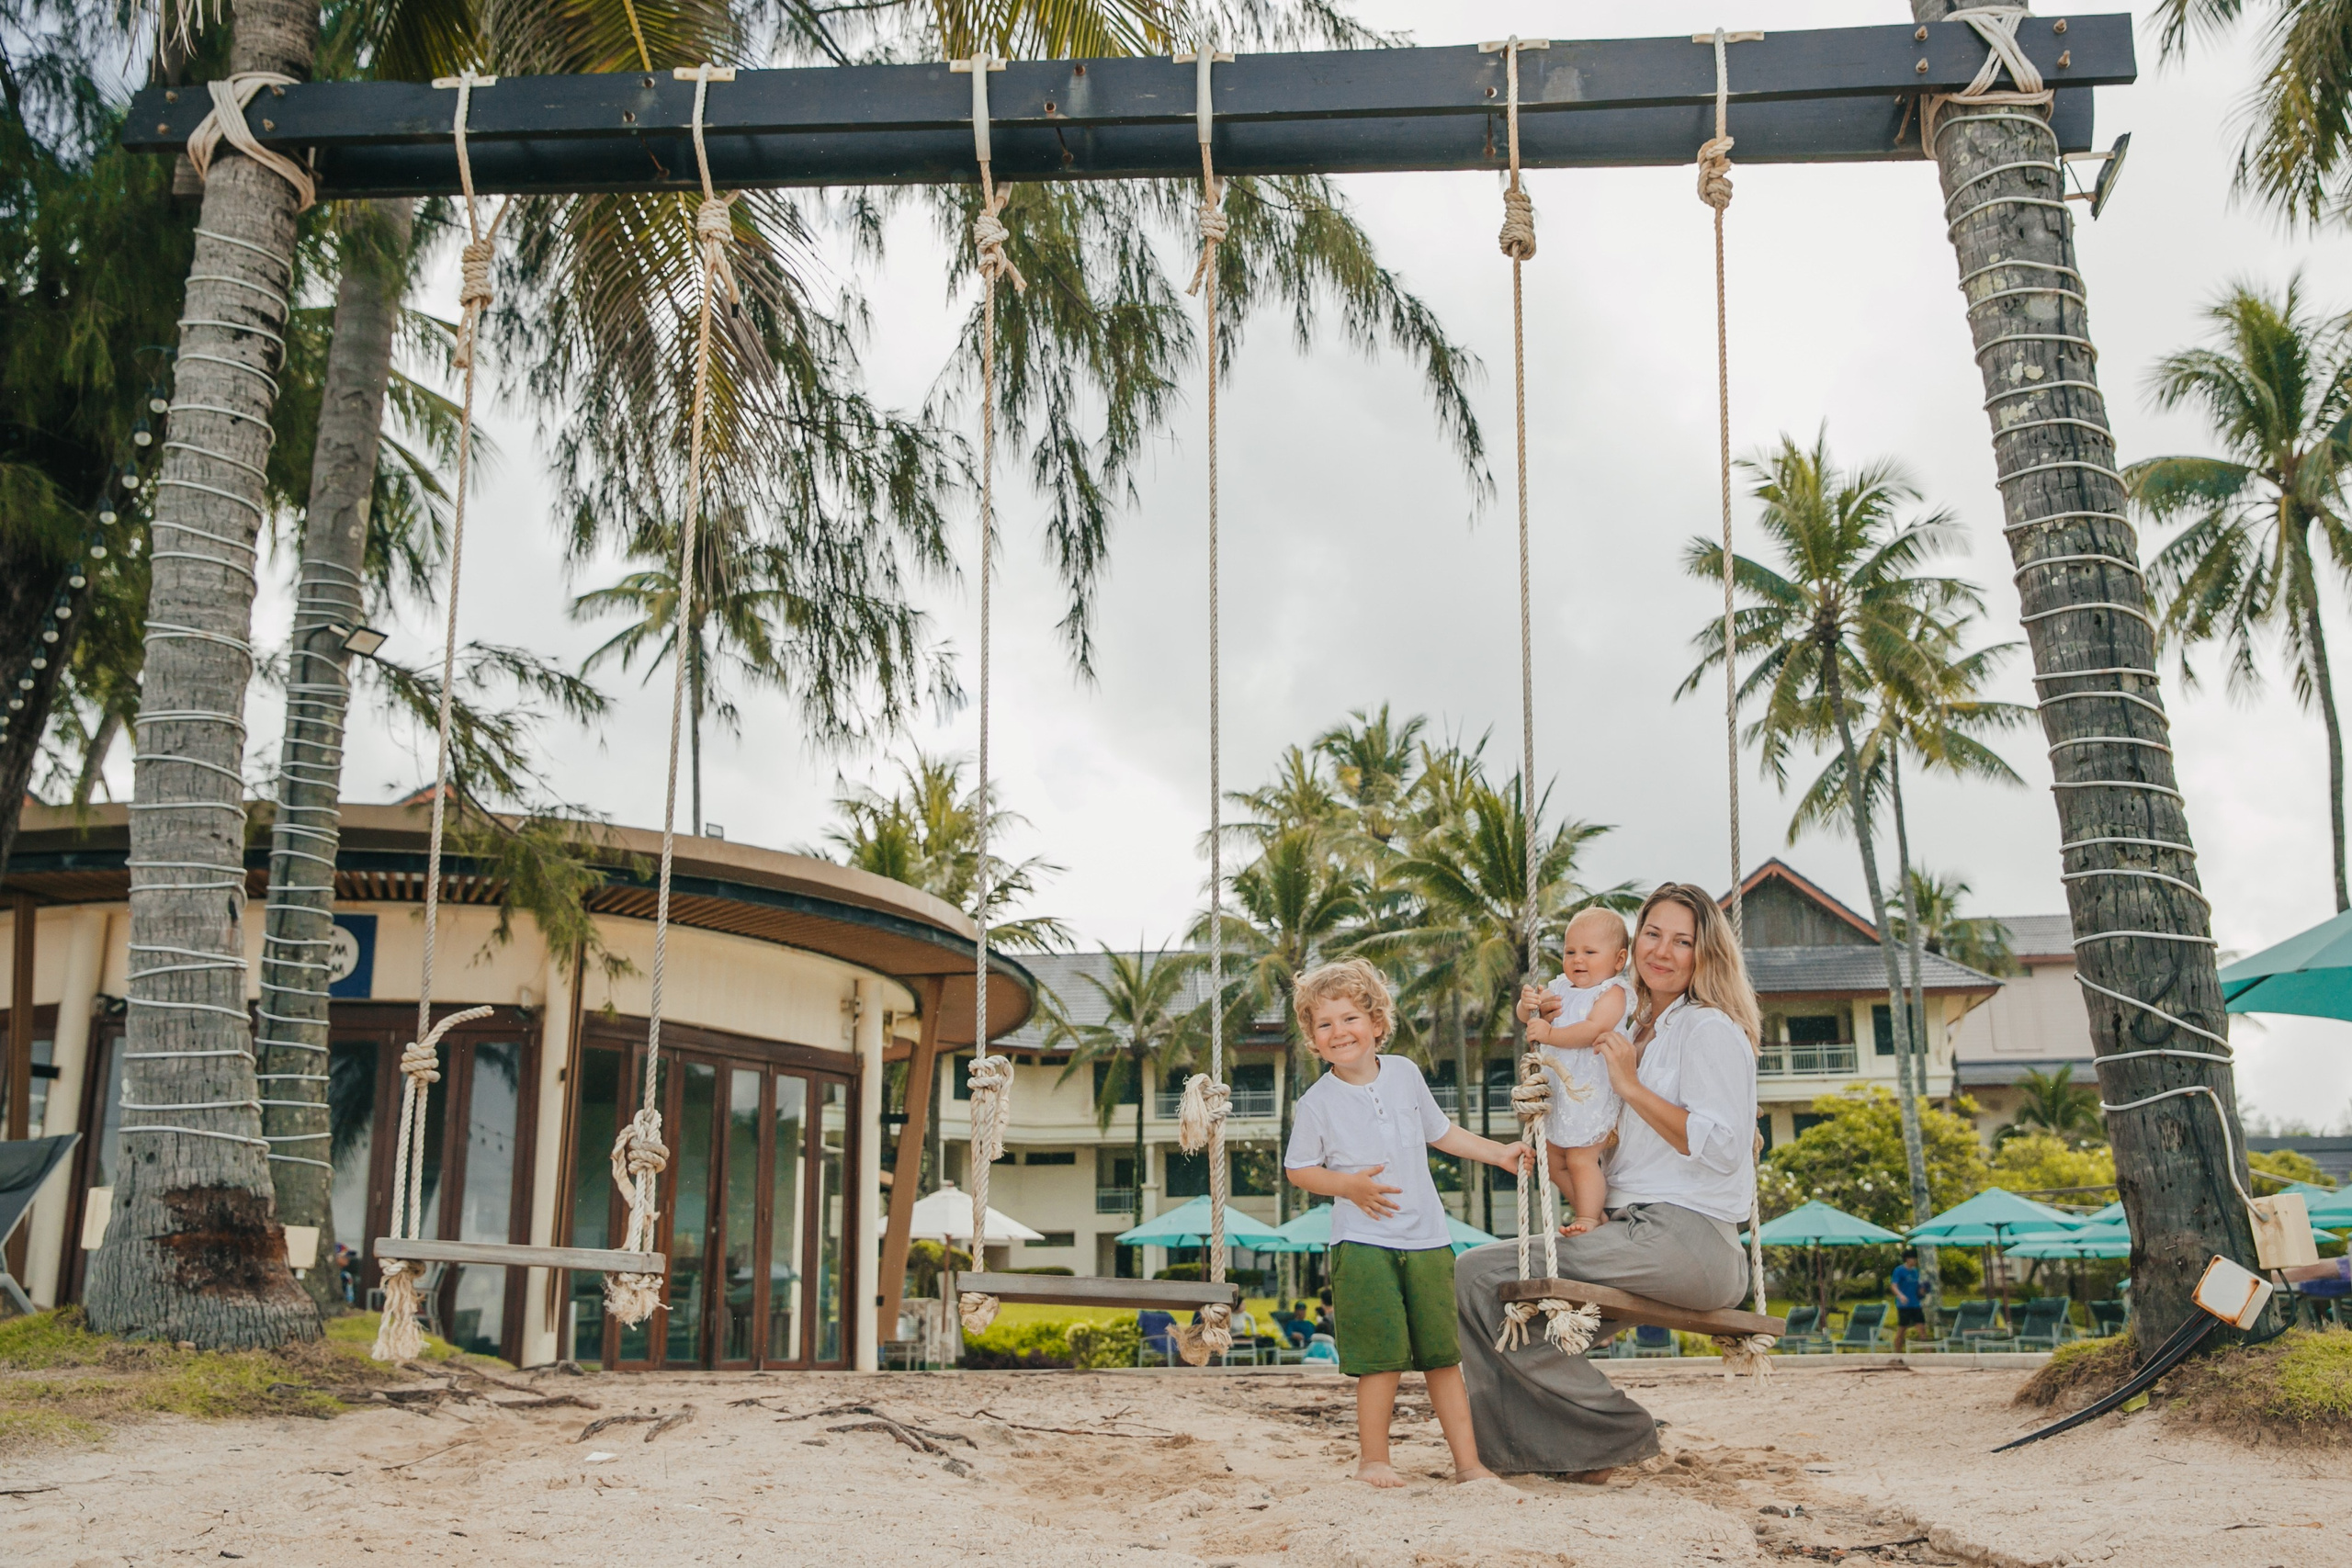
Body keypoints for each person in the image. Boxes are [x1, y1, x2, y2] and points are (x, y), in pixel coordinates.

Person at [1455, 883, 1762, 1480]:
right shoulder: (1639, 1026)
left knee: (1477, 1273)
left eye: (1683, 941)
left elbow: (1724, 1148)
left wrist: (1630, 1087)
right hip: (1637, 1229)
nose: (1663, 951)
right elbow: (1615, 1143)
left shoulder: (1708, 1028)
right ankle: (1578, 1451)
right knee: (1518, 1315)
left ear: (1706, 953)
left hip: (1690, 1238)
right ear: (1633, 942)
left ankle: (1616, 1430)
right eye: (1653, 934)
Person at [1283, 957, 1532, 1487]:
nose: (1338, 1032)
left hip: (1428, 1239)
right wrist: (1348, 1186)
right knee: (1381, 1360)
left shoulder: (1404, 1073)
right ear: (1313, 1039)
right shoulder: (1315, 1103)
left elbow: (1441, 1133)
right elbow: (1298, 1169)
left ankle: (1468, 1465)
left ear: (1376, 1023)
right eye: (1324, 1024)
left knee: (1443, 1357)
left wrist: (1499, 1154)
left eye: (1349, 1018)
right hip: (1362, 1242)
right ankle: (1374, 1461)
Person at [1515, 907, 1638, 1236]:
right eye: (1570, 952)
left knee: (1581, 1159)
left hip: (1590, 1092)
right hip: (1560, 1094)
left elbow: (1593, 1029)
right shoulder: (1560, 986)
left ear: (1619, 959)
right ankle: (1594, 1213)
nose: (1577, 960)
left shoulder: (1612, 992)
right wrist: (1527, 1005)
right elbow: (1530, 1017)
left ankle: (1587, 1217)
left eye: (1589, 952)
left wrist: (1549, 1034)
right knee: (1553, 1161)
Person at [1891, 1247, 1925, 1353]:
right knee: (1902, 1330)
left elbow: (1918, 1287)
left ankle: (1927, 1353)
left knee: (1922, 1328)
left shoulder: (1916, 1272)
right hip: (1904, 1305)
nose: (1915, 1261)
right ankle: (1898, 1353)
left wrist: (1922, 1291)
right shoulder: (1899, 1271)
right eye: (1913, 1258)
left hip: (1916, 1304)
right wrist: (1900, 1296)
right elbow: (1894, 1286)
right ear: (1907, 1259)